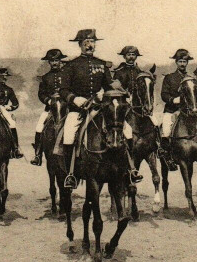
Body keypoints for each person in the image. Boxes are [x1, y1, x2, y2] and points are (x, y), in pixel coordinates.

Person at [59, 29, 140, 183]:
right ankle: (71, 173)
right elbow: (63, 90)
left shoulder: (101, 64)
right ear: (80, 45)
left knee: (127, 131)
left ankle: (131, 169)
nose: (90, 45)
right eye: (86, 43)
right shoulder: (71, 66)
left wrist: (120, 93)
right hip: (78, 110)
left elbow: (109, 85)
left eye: (92, 42)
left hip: (99, 108)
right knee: (69, 135)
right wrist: (75, 99)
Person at [159, 49, 197, 170]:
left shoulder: (191, 78)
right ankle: (168, 157)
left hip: (188, 112)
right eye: (180, 61)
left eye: (184, 61)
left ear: (187, 63)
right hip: (172, 110)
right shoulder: (169, 78)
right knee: (165, 131)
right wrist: (173, 100)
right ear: (176, 62)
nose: (182, 64)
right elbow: (164, 94)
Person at [31, 48, 66, 166]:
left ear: (60, 61)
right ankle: (38, 154)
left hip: (66, 108)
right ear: (49, 62)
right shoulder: (45, 77)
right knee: (39, 127)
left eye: (57, 60)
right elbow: (41, 94)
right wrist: (48, 100)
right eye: (52, 61)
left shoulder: (67, 75)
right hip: (50, 109)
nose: (55, 63)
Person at [0, 67, 23, 159]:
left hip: (3, 109)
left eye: (6, 76)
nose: (5, 78)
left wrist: (8, 107)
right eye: (2, 76)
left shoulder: (9, 89)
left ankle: (15, 149)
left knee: (12, 124)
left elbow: (16, 103)